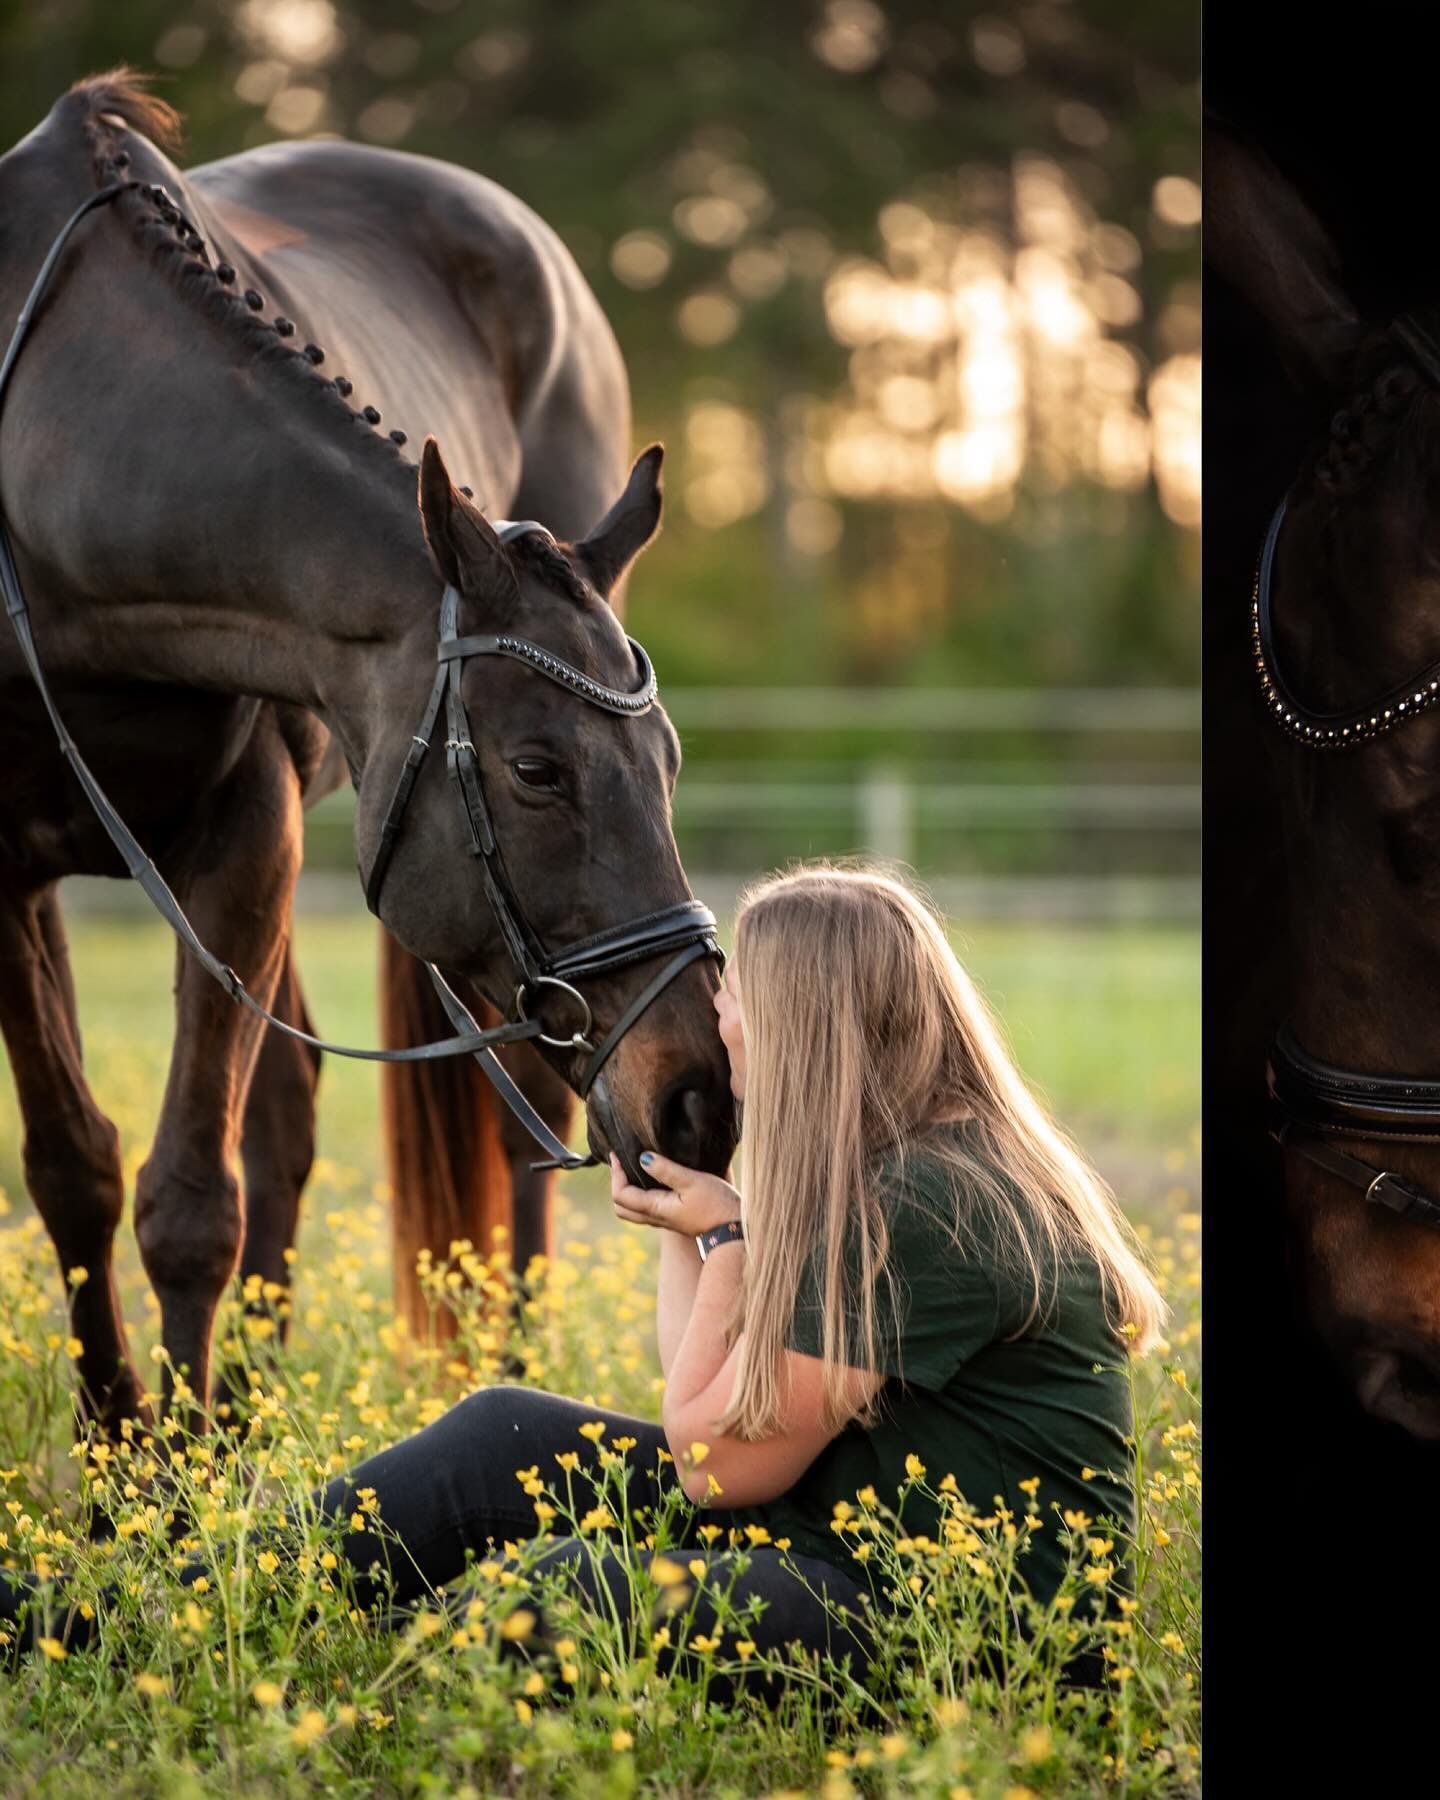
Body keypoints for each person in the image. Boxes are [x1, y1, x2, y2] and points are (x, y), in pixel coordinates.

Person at [0, 863, 1166, 1702]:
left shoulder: (930, 1204)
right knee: (503, 1431)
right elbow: (705, 1396)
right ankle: (105, 1626)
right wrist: (691, 1226)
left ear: (814, 1024)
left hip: (975, 1638)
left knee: (556, 1595)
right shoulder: (910, 1163)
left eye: (737, 997)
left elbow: (712, 1466)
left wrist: (728, 1246)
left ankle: (311, 1673)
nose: (719, 1021)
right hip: (845, 1536)